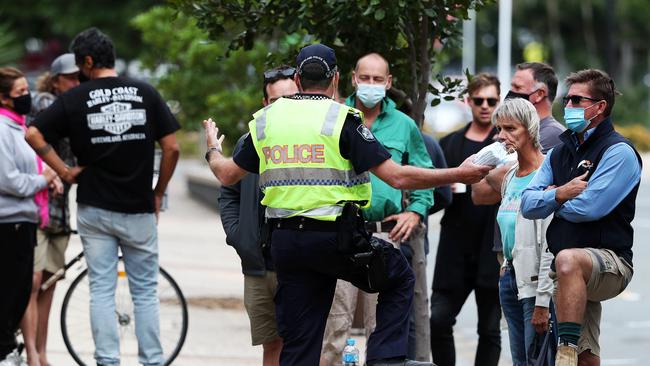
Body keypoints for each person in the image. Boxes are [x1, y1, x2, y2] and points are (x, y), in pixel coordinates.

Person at [202, 43, 491, 366]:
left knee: (300, 342)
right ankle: (384, 360)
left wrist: (213, 148)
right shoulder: (341, 120)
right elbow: (397, 177)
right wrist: (460, 174)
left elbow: (227, 175)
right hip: (333, 242)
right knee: (398, 275)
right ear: (336, 78)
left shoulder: (267, 121)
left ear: (297, 79)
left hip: (284, 245)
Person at [25, 28, 181, 366]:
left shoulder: (75, 98)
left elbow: (33, 133)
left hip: (94, 209)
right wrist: (158, 192)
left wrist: (64, 172)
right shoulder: (145, 92)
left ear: (88, 61)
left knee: (101, 290)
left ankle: (107, 362)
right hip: (139, 209)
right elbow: (172, 147)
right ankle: (152, 361)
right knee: (144, 292)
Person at [521, 69, 641, 366]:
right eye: (567, 99)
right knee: (588, 358)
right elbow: (527, 203)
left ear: (599, 107)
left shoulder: (619, 152)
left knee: (567, 260)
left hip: (610, 262)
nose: (568, 105)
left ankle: (565, 351)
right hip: (569, 272)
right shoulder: (559, 152)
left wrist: (549, 199)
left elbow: (590, 208)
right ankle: (576, 351)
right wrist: (560, 194)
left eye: (576, 99)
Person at [320, 53, 434, 365]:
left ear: (388, 83)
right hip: (338, 234)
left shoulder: (405, 125)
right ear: (353, 78)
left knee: (382, 331)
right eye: (365, 78)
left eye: (377, 79)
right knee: (333, 329)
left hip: (384, 236)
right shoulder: (332, 117)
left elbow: (424, 173)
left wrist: (415, 211)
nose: (371, 85)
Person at [219, 65, 298, 366]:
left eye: (291, 98)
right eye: (276, 101)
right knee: (272, 347)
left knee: (307, 344)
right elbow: (228, 190)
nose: (284, 107)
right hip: (259, 266)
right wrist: (239, 236)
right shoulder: (250, 141)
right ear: (265, 104)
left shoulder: (314, 141)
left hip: (302, 260)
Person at [471, 98, 553, 365]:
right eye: (499, 128)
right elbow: (470, 172)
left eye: (511, 129)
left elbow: (550, 244)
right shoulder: (510, 175)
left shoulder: (548, 173)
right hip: (510, 278)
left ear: (530, 129)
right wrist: (507, 265)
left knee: (537, 359)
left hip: (537, 283)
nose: (502, 136)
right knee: (520, 360)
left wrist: (543, 301)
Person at [429, 73, 502, 366]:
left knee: (489, 329)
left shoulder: (506, 145)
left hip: (492, 248)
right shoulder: (448, 145)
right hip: (454, 248)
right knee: (438, 320)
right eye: (479, 100)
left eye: (492, 100)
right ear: (467, 101)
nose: (485, 106)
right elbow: (433, 194)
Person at [20, 53, 79, 366]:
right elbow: (31, 141)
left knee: (49, 282)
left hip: (59, 210)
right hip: (37, 204)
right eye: (70, 77)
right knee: (32, 280)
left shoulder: (76, 105)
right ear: (55, 79)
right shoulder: (45, 102)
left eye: (79, 77)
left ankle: (41, 351)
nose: (75, 83)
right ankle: (32, 353)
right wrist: (53, 172)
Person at [0, 67, 58, 365]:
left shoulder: (19, 127)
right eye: (20, 93)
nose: (27, 97)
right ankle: (5, 350)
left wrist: (47, 177)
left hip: (25, 220)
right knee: (11, 291)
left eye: (27, 90)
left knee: (21, 290)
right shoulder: (2, 128)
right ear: (3, 98)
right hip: (8, 222)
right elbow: (8, 179)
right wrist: (43, 179)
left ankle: (8, 349)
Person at [506, 62, 565, 153]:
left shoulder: (552, 133)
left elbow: (512, 165)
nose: (511, 92)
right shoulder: (523, 130)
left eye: (517, 87)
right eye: (512, 87)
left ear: (539, 94)